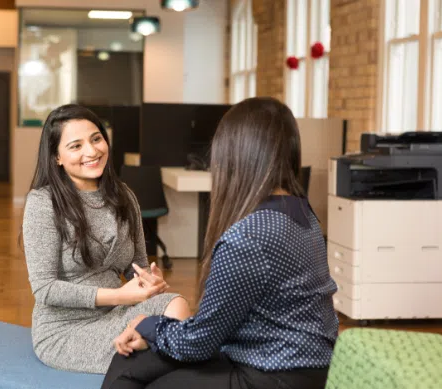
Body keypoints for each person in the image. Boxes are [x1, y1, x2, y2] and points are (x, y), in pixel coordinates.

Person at [101, 97, 339, 389]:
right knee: (136, 360)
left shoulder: (248, 237)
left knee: (138, 370)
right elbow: (217, 326)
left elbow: (198, 343)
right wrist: (153, 334)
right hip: (306, 364)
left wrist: (146, 325)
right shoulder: (301, 211)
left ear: (233, 154)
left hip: (273, 373)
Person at [21, 104, 191, 374]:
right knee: (169, 351)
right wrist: (119, 296)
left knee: (177, 304)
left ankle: (156, 346)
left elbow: (136, 265)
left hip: (118, 313)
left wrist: (149, 282)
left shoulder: (124, 196)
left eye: (96, 139)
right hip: (66, 328)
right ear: (57, 157)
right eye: (76, 146)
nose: (92, 151)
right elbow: (45, 289)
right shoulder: (44, 203)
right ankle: (157, 350)